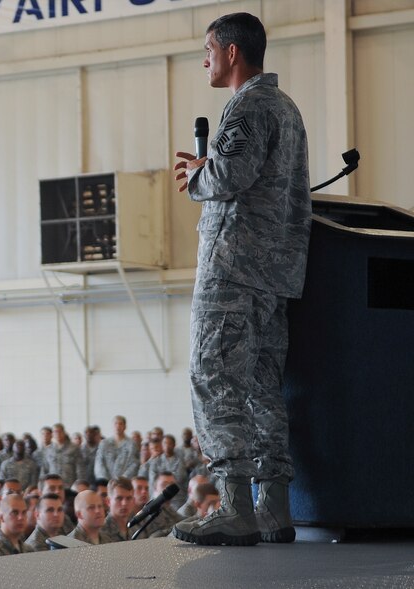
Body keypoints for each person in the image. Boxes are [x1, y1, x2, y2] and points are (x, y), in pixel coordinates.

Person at [172, 11, 309, 547]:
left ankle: (234, 507)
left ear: (232, 52)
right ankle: (273, 509)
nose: (204, 58)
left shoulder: (249, 104)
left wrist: (197, 174)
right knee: (262, 390)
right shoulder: (287, 109)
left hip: (234, 270)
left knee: (214, 378)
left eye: (208, 48)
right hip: (275, 275)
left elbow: (230, 175)